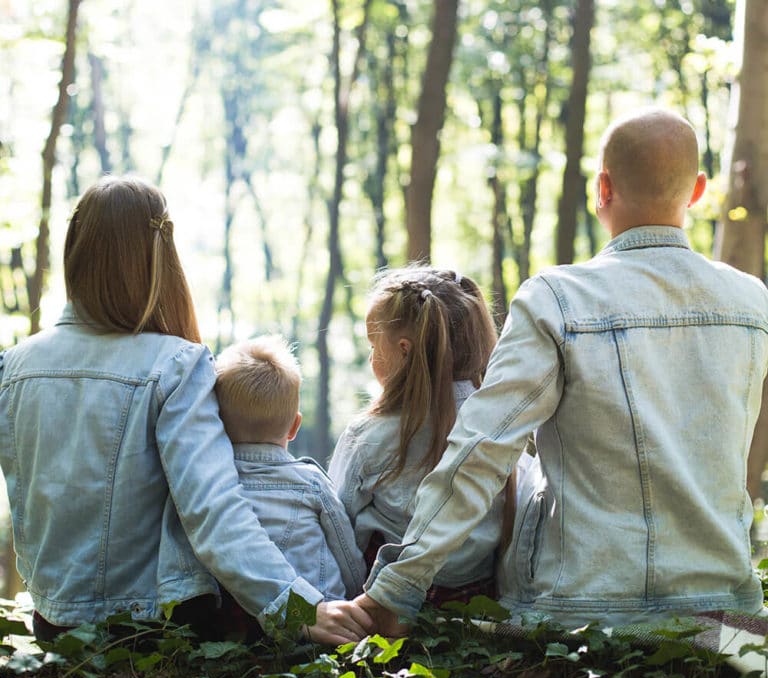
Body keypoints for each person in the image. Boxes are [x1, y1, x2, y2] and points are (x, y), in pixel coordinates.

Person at [355, 107, 768, 634]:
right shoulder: (752, 302)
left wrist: (397, 588)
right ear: (698, 191)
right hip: (726, 610)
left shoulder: (557, 299)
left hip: (581, 610)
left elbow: (482, 450)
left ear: (602, 188)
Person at [0, 175, 372, 645]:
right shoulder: (176, 364)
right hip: (151, 631)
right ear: (160, 258)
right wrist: (297, 608)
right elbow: (213, 510)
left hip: (54, 625)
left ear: (75, 249)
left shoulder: (12, 366)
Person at [329, 265, 527, 604]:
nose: (371, 357)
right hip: (476, 602)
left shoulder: (368, 435)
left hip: (384, 605)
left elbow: (336, 527)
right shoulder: (503, 427)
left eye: (374, 346)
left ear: (404, 350)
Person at [214, 335, 365, 601]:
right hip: (321, 612)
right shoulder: (311, 483)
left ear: (217, 423)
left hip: (243, 619)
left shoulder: (211, 484)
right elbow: (346, 553)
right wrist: (356, 595)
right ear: (295, 427)